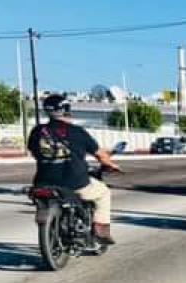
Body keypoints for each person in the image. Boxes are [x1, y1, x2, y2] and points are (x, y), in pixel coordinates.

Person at [28, 94, 121, 244]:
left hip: (43, 182)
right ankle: (101, 231)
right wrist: (111, 165)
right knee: (104, 192)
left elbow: (34, 152)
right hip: (75, 182)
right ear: (66, 109)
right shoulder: (77, 132)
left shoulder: (37, 132)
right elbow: (101, 155)